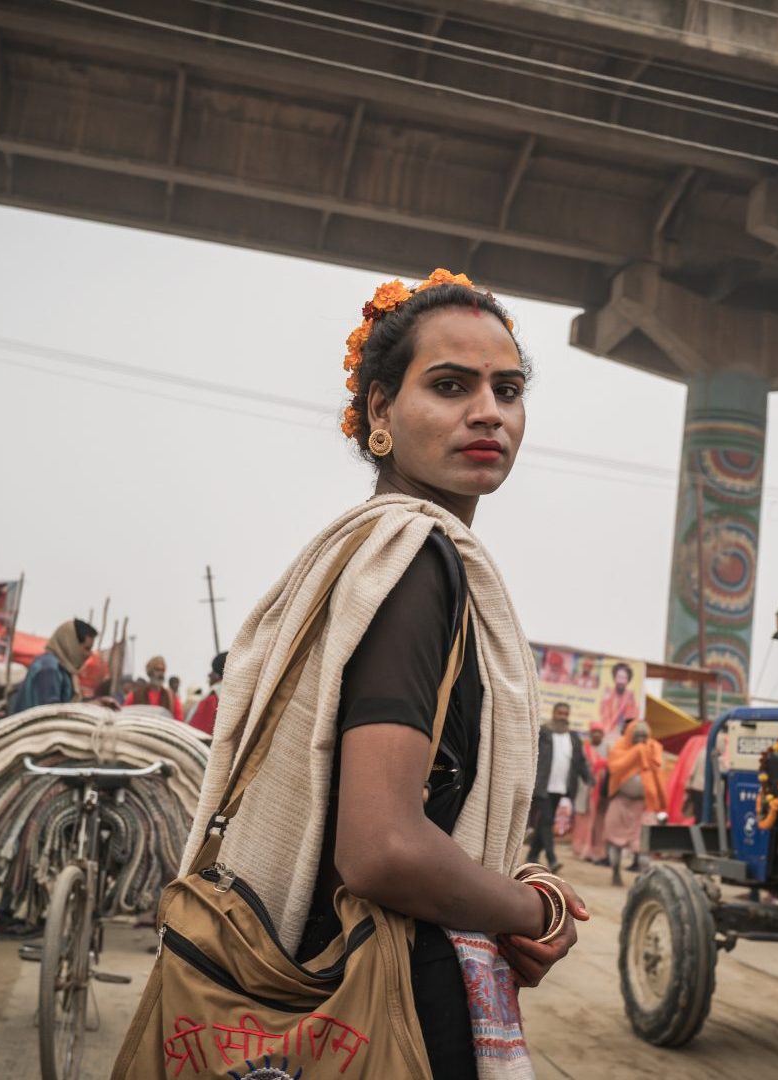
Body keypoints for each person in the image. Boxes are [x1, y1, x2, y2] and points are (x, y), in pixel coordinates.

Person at [165, 269, 584, 1079]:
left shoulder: (368, 556)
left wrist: (486, 886)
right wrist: (537, 908)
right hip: (382, 1008)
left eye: (508, 388)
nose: (488, 412)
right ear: (381, 411)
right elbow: (382, 847)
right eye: (451, 386)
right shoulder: (414, 563)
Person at [0, 618, 98, 940]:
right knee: (27, 839)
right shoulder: (50, 669)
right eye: (86, 648)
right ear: (71, 642)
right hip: (35, 767)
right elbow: (51, 719)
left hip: (40, 765)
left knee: (34, 839)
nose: (87, 656)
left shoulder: (59, 668)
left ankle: (20, 912)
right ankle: (5, 915)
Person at [603, 715, 667, 886]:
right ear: (630, 736)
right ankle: (615, 872)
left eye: (643, 737)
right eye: (637, 737)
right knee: (615, 842)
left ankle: (645, 880)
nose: (641, 741)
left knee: (644, 845)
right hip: (621, 803)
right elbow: (615, 767)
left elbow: (659, 774)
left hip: (644, 805)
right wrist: (637, 752)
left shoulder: (654, 750)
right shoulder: (619, 748)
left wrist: (661, 805)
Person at [529, 703, 591, 872]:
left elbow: (580, 761)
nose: (563, 716)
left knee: (544, 822)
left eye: (565, 713)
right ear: (554, 713)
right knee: (548, 821)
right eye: (560, 713)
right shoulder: (544, 732)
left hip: (563, 787)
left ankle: (532, 855)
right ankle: (552, 858)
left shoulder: (573, 737)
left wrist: (588, 778)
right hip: (543, 786)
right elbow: (531, 753)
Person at [6, 618, 96, 714]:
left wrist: (93, 704)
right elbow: (51, 715)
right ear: (71, 645)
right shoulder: (49, 669)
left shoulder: (65, 670)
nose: (89, 654)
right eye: (87, 648)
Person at [568, 725, 608, 862]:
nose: (596, 734)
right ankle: (581, 849)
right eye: (594, 732)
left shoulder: (608, 749)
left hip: (601, 791)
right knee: (582, 819)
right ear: (591, 734)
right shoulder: (584, 748)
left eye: (599, 732)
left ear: (602, 735)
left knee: (598, 821)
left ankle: (596, 851)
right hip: (584, 788)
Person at [185, 650, 225, 735]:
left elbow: (196, 734)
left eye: (213, 671)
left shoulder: (212, 699)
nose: (209, 674)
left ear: (218, 675)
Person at [597, 661, 639, 737]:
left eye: (624, 678)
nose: (621, 681)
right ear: (614, 678)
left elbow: (631, 718)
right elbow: (604, 715)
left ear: (628, 680)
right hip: (607, 733)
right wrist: (609, 731)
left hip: (623, 735)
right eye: (619, 677)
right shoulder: (608, 694)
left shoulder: (630, 697)